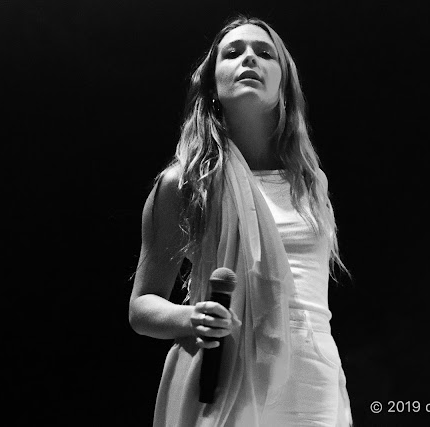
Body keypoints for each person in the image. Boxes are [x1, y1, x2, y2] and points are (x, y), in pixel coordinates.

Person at [129, 14, 353, 426]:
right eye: (233, 53)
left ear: (283, 83)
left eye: (264, 53)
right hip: (226, 373)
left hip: (312, 375)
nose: (249, 59)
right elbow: (142, 306)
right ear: (212, 83)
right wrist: (189, 317)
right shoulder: (184, 182)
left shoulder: (310, 182)